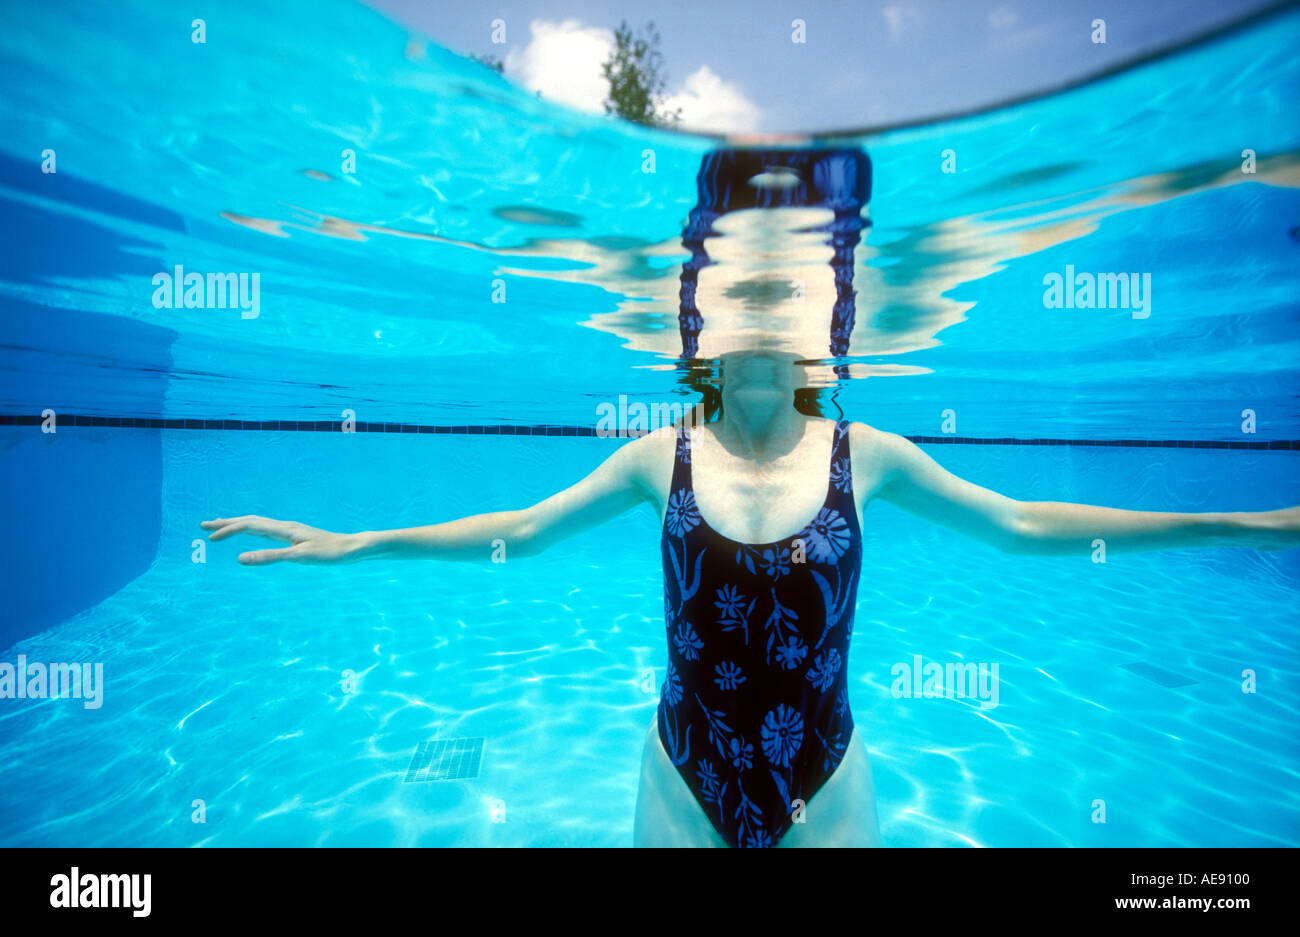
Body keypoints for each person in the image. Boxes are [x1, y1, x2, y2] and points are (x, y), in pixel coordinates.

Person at [201, 149, 1300, 847]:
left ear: (825, 327)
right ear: (700, 340)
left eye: (789, 296)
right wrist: (347, 544)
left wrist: (1242, 523)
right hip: (681, 774)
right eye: (736, 299)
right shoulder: (655, 458)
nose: (762, 320)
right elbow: (516, 534)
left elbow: (1025, 525)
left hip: (827, 782)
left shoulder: (867, 452)